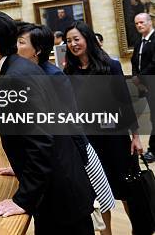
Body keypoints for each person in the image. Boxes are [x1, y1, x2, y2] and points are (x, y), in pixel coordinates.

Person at [0, 11, 95, 234]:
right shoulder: (17, 68)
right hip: (60, 189)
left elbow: (41, 140)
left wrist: (22, 200)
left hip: (60, 198)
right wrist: (20, 166)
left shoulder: (16, 77)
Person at [13, 23, 116, 234]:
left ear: (38, 50)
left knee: (97, 201)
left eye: (21, 42)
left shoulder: (52, 76)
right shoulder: (34, 73)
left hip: (76, 152)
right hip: (63, 157)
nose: (15, 47)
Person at [64, 21, 145, 234]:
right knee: (98, 193)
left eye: (76, 39)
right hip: (89, 140)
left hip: (116, 137)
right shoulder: (69, 70)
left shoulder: (111, 65)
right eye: (69, 41)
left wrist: (135, 136)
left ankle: (138, 228)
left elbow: (124, 102)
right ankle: (105, 233)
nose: (72, 44)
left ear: (87, 39)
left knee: (127, 188)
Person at [131, 13, 155, 163]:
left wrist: (139, 77)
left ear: (149, 22)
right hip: (145, 87)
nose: (139, 25)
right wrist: (136, 78)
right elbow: (134, 61)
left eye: (141, 22)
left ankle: (153, 149)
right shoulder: (139, 42)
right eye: (136, 23)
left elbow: (154, 64)